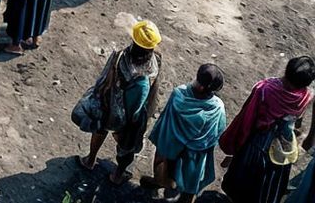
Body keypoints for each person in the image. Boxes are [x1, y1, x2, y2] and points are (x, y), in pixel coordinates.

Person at [75, 21, 164, 177]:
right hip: (128, 119)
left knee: (100, 129)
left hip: (107, 106)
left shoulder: (119, 55)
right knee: (127, 145)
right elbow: (136, 107)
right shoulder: (147, 75)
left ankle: (90, 159)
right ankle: (117, 176)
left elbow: (103, 79)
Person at [220, 58, 315, 203]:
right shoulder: (307, 96)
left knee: (241, 185)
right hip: (282, 149)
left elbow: (246, 121)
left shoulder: (264, 89)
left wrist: (234, 148)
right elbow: (298, 123)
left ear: (286, 69)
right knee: (267, 188)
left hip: (257, 146)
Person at [149, 63, 229, 203]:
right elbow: (216, 135)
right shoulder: (217, 108)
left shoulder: (179, 94)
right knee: (190, 190)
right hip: (195, 158)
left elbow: (165, 122)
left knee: (164, 169)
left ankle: (162, 181)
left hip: (170, 148)